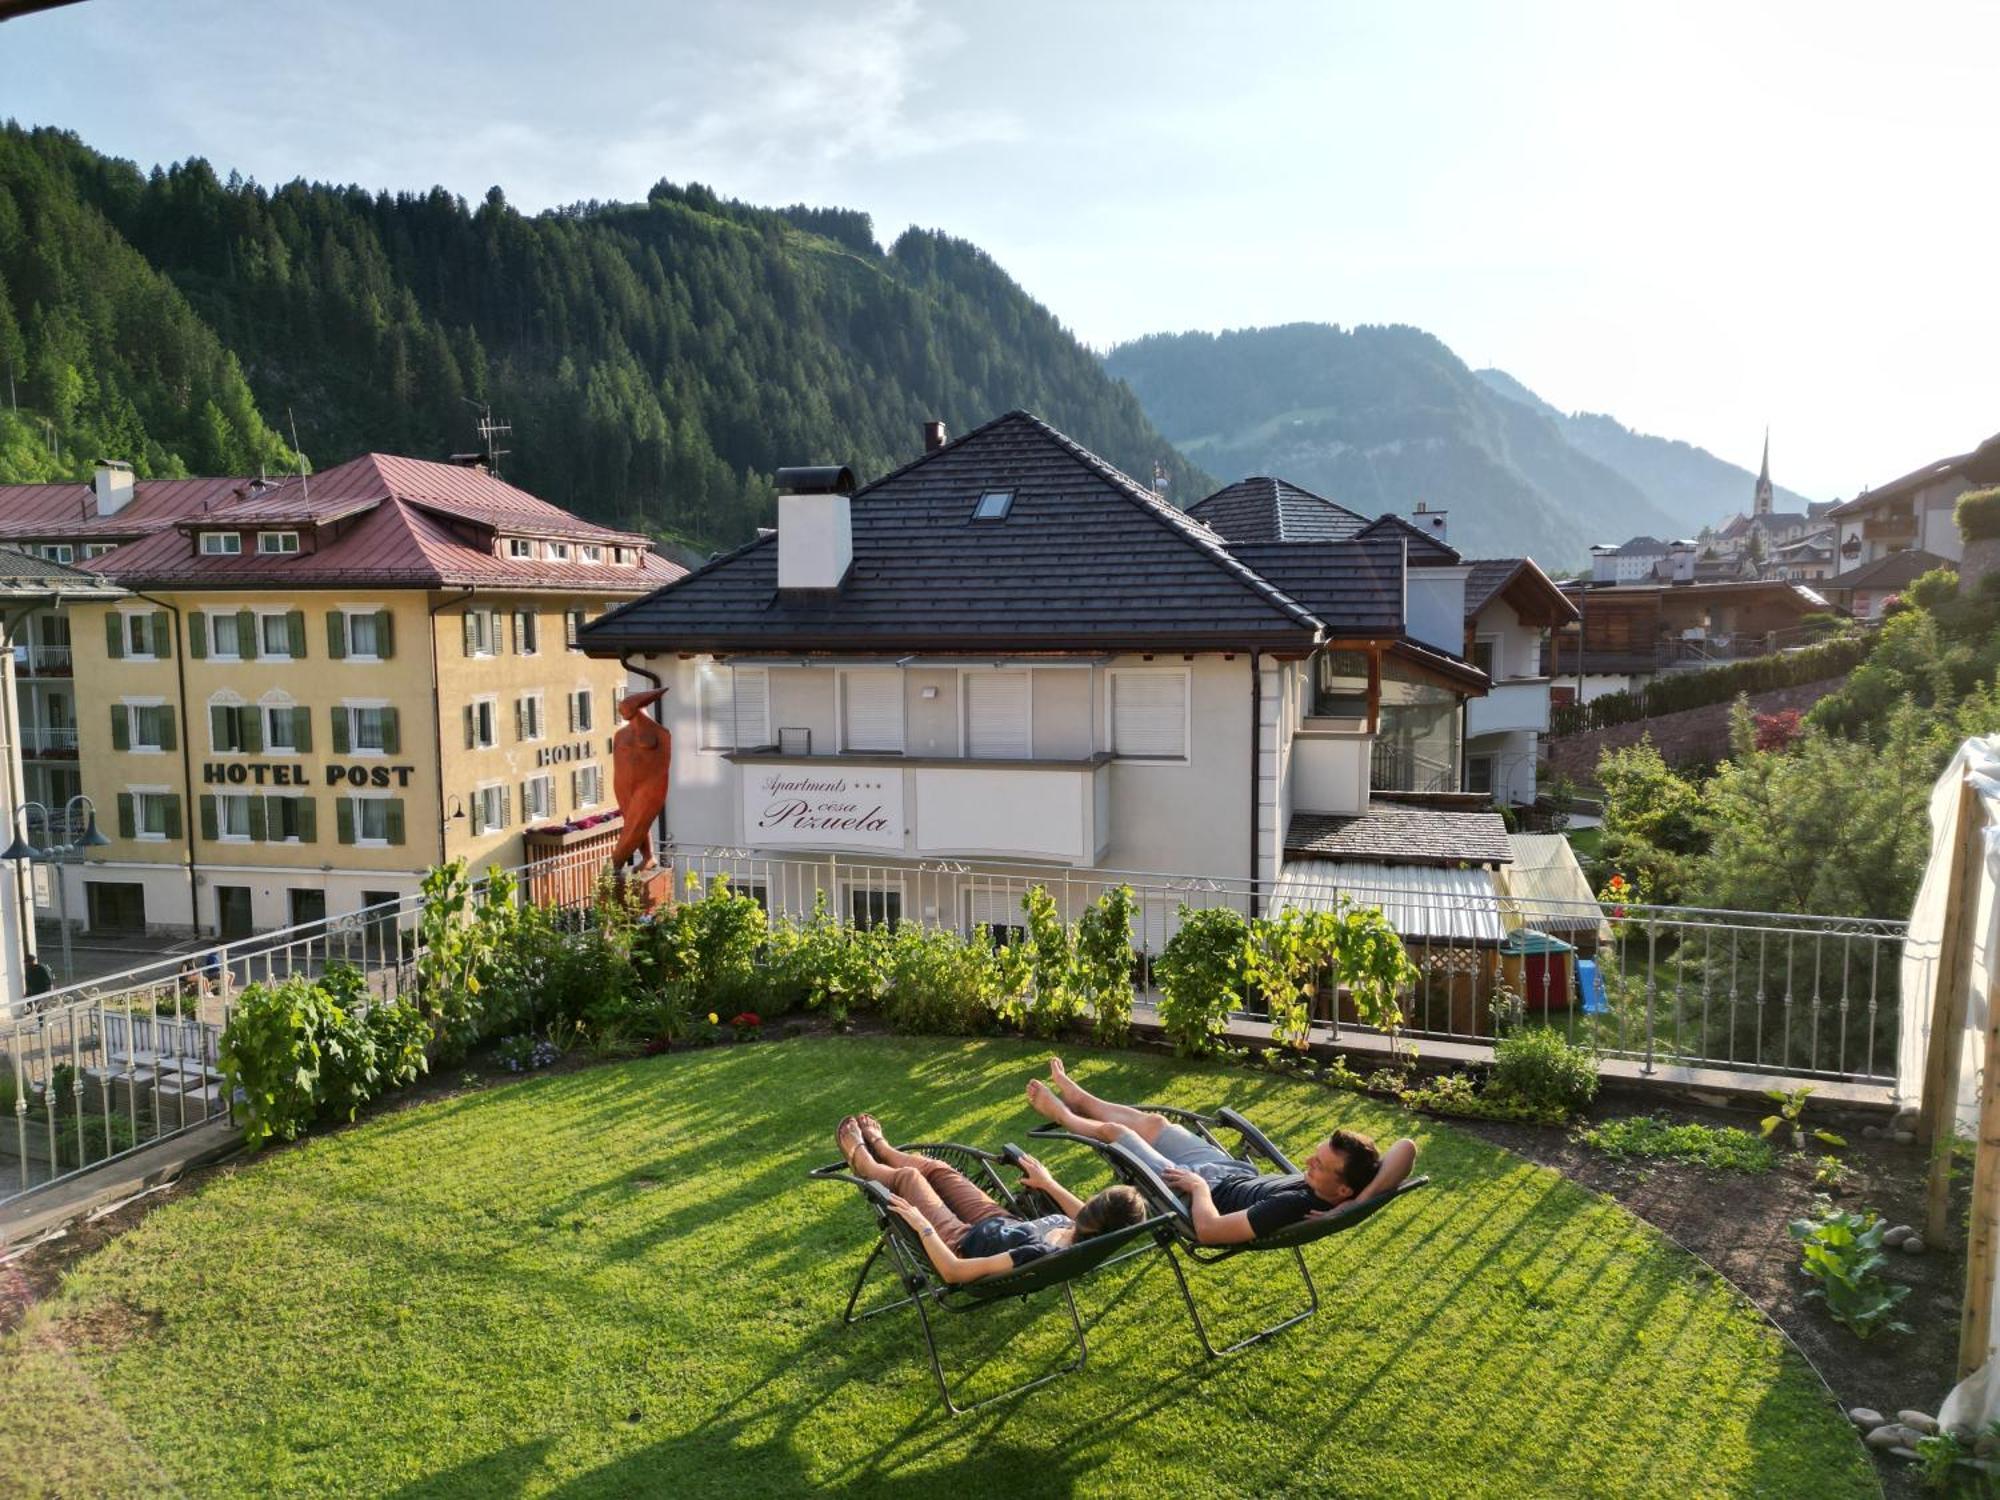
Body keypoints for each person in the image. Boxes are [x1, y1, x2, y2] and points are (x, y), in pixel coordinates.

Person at [1025, 1058, 1417, 1246]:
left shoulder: (1292, 1205)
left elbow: (1210, 1232)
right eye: (1315, 1155)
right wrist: (1354, 1206)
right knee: (1157, 1125)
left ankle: (1062, 1114)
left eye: (1319, 1166)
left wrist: (1197, 1189)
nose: (1308, 1163)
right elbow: (1406, 1148)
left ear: (1343, 1187)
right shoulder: (1350, 1186)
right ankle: (1081, 1098)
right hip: (1226, 1171)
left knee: (1116, 1134)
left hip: (1196, 1192)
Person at [835, 1113, 1147, 1285]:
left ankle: (867, 1164)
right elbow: (1082, 1213)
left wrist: (922, 1226)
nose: (1089, 1197)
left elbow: (953, 1271)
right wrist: (1048, 1183)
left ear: (1096, 1214)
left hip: (961, 1241)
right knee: (939, 1169)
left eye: (1096, 1198)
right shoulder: (1086, 1237)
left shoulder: (1036, 1253)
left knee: (910, 1178)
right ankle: (887, 1151)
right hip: (997, 1223)